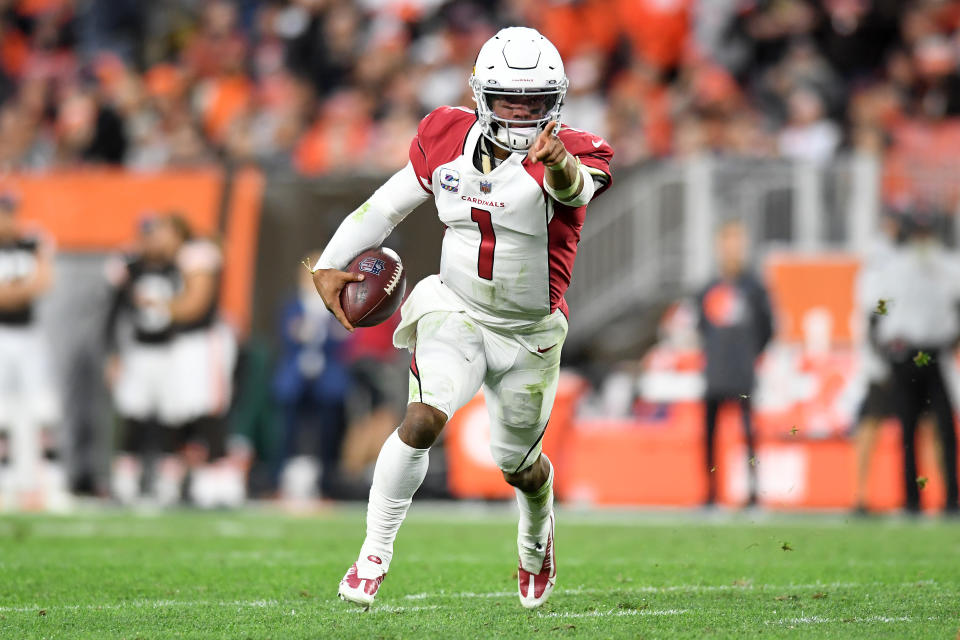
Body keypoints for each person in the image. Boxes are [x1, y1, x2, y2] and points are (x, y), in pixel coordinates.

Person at [311, 27, 613, 609]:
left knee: (516, 464)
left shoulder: (577, 150)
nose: (522, 114)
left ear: (556, 102)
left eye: (534, 102)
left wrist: (561, 165)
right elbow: (389, 204)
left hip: (529, 333)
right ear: (481, 96)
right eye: (509, 100)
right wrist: (328, 263)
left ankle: (535, 533)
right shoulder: (446, 135)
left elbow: (574, 194)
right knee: (423, 419)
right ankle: (373, 556)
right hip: (457, 308)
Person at [136, 214, 240, 508]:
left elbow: (196, 304)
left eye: (161, 231)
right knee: (179, 410)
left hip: (204, 341)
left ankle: (223, 482)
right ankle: (185, 479)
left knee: (208, 407)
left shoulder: (196, 253)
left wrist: (160, 305)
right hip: (181, 343)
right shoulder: (159, 261)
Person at [869, 211, 960, 515]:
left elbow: (956, 304)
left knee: (945, 428)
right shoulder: (895, 269)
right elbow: (880, 308)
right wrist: (881, 342)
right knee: (908, 430)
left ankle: (950, 498)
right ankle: (911, 499)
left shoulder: (945, 266)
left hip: (934, 353)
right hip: (905, 353)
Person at [104, 216, 183, 505]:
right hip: (138, 352)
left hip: (171, 352)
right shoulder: (130, 269)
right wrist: (113, 354)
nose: (153, 242)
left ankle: (168, 484)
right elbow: (113, 314)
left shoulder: (179, 267)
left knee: (170, 419)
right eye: (147, 235)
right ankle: (125, 482)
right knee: (132, 417)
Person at [696, 220, 773, 508]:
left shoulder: (755, 288)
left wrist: (750, 355)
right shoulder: (707, 288)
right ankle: (711, 492)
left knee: (749, 434)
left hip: (743, 372)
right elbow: (702, 327)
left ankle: (753, 492)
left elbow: (768, 328)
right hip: (715, 372)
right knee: (710, 435)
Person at [0, 191, 63, 506]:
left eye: (8, 212)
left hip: (28, 335)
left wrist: (11, 291)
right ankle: (5, 480)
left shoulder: (34, 240)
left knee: (40, 407)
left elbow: (43, 282)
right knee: (1, 410)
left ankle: (45, 480)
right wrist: (17, 290)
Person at [273, 252, 351, 499]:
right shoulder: (292, 303)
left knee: (330, 430)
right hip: (296, 376)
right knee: (286, 430)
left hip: (327, 376)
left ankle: (327, 483)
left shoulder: (338, 302)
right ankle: (280, 480)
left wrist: (315, 332)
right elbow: (288, 334)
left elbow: (343, 337)